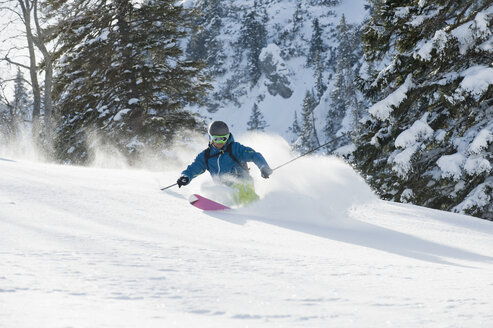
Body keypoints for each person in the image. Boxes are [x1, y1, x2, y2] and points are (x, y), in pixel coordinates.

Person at [177, 121, 273, 205]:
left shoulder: (235, 148)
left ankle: (256, 207)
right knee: (208, 187)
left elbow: (254, 155)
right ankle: (222, 206)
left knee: (243, 191)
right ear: (210, 138)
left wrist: (263, 167)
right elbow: (195, 167)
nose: (220, 142)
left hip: (243, 184)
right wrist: (186, 176)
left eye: (223, 138)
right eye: (216, 139)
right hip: (223, 187)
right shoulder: (206, 155)